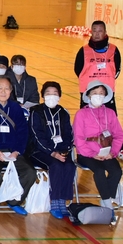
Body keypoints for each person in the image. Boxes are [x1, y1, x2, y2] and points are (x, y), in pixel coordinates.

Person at [0, 76, 37, 215]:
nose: (3, 92)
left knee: (30, 173)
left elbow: (23, 132)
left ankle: (14, 201)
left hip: (12, 151)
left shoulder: (16, 108)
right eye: (0, 88)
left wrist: (17, 151)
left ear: (11, 91)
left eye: (7, 89)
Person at [74, 20, 123, 162]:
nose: (97, 34)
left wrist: (104, 86)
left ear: (105, 33)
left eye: (100, 31)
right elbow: (77, 69)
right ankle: (86, 151)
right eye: (94, 31)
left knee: (112, 121)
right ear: (91, 32)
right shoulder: (83, 50)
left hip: (107, 93)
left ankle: (118, 149)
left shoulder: (114, 50)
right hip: (89, 93)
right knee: (86, 122)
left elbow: (117, 70)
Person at [29, 81, 76, 219]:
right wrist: (52, 152)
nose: (51, 96)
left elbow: (68, 135)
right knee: (56, 165)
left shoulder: (63, 113)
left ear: (59, 96)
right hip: (39, 151)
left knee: (70, 165)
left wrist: (64, 151)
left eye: (55, 93)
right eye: (48, 93)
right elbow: (37, 136)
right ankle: (55, 201)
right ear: (43, 96)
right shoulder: (36, 112)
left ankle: (63, 201)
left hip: (60, 151)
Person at [73, 82, 123, 208]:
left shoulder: (110, 113)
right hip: (86, 154)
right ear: (89, 95)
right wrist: (92, 154)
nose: (98, 96)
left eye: (101, 93)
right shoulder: (81, 114)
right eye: (95, 93)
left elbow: (119, 135)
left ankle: (106, 198)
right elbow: (78, 138)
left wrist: (112, 152)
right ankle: (107, 202)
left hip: (106, 152)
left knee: (117, 171)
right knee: (99, 171)